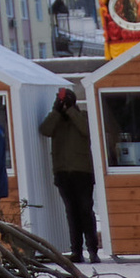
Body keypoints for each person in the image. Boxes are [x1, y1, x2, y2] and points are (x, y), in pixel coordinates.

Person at [46, 82, 101, 261]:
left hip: (82, 172)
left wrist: (70, 110)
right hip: (63, 172)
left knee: (86, 210)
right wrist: (56, 112)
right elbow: (45, 130)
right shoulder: (56, 120)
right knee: (71, 212)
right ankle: (76, 251)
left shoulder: (82, 115)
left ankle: (93, 250)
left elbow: (87, 130)